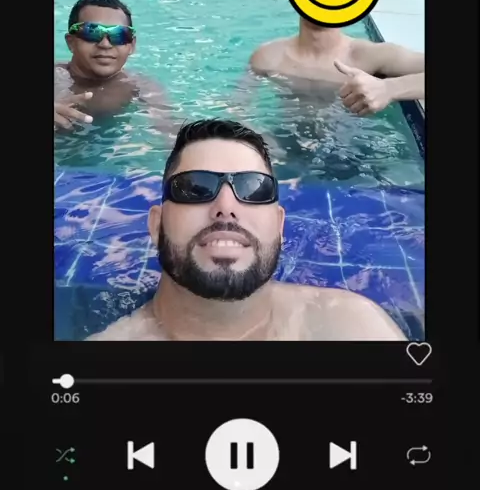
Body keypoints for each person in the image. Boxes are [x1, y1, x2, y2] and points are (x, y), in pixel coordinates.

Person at [87, 118, 406, 341]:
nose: (226, 207)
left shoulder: (352, 327)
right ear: (156, 225)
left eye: (254, 188)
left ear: (280, 225)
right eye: (196, 187)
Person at [54, 0, 179, 135]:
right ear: (71, 42)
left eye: (119, 35)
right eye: (92, 32)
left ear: (131, 46)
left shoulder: (141, 88)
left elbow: (172, 132)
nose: (105, 44)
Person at [247, 17, 424, 116]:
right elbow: (239, 108)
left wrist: (390, 88)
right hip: (283, 146)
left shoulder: (373, 56)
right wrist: (259, 139)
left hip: (354, 151)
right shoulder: (267, 56)